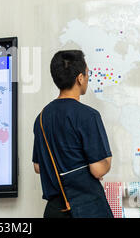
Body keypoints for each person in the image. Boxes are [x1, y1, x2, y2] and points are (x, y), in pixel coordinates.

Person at [32, 50, 113, 218]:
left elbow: (38, 166)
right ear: (79, 78)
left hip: (54, 211)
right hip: (85, 208)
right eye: (87, 73)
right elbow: (98, 169)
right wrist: (107, 162)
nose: (87, 78)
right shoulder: (88, 115)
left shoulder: (41, 118)